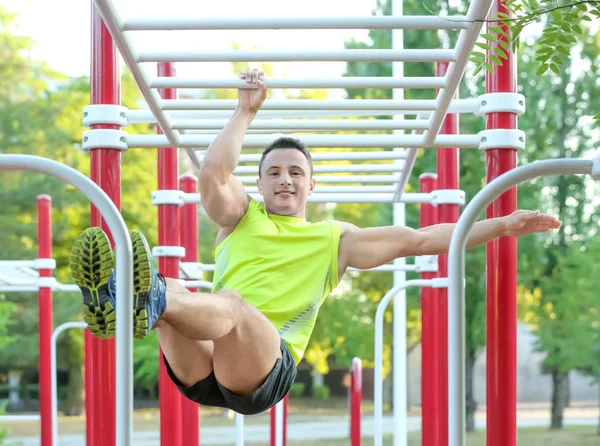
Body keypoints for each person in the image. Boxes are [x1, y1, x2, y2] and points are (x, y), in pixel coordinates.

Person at [70, 69, 561, 416]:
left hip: (264, 369)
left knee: (229, 305)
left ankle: (137, 294)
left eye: (295, 173)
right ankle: (127, 298)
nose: (285, 180)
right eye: (274, 173)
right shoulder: (241, 217)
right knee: (174, 285)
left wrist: (500, 224)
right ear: (259, 184)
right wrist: (244, 112)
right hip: (202, 367)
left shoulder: (336, 240)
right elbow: (214, 174)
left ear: (311, 185)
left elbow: (422, 239)